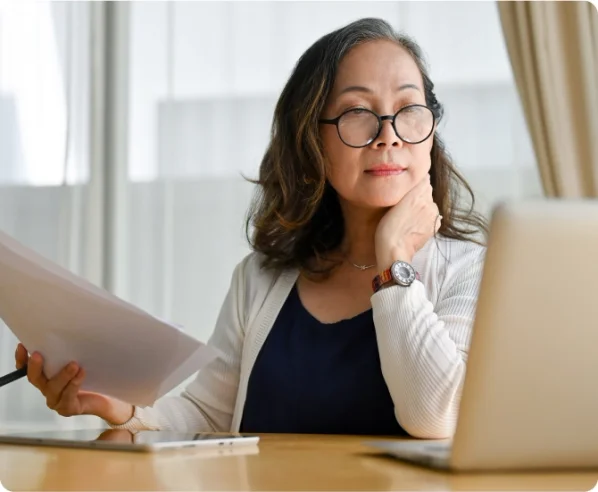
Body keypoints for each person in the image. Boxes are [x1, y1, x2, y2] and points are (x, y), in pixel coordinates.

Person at [15, 17, 487, 439]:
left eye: (408, 109)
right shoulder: (259, 279)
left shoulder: (470, 270)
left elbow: (435, 417)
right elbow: (206, 413)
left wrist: (394, 262)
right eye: (357, 113)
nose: (389, 133)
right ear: (312, 141)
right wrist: (124, 411)